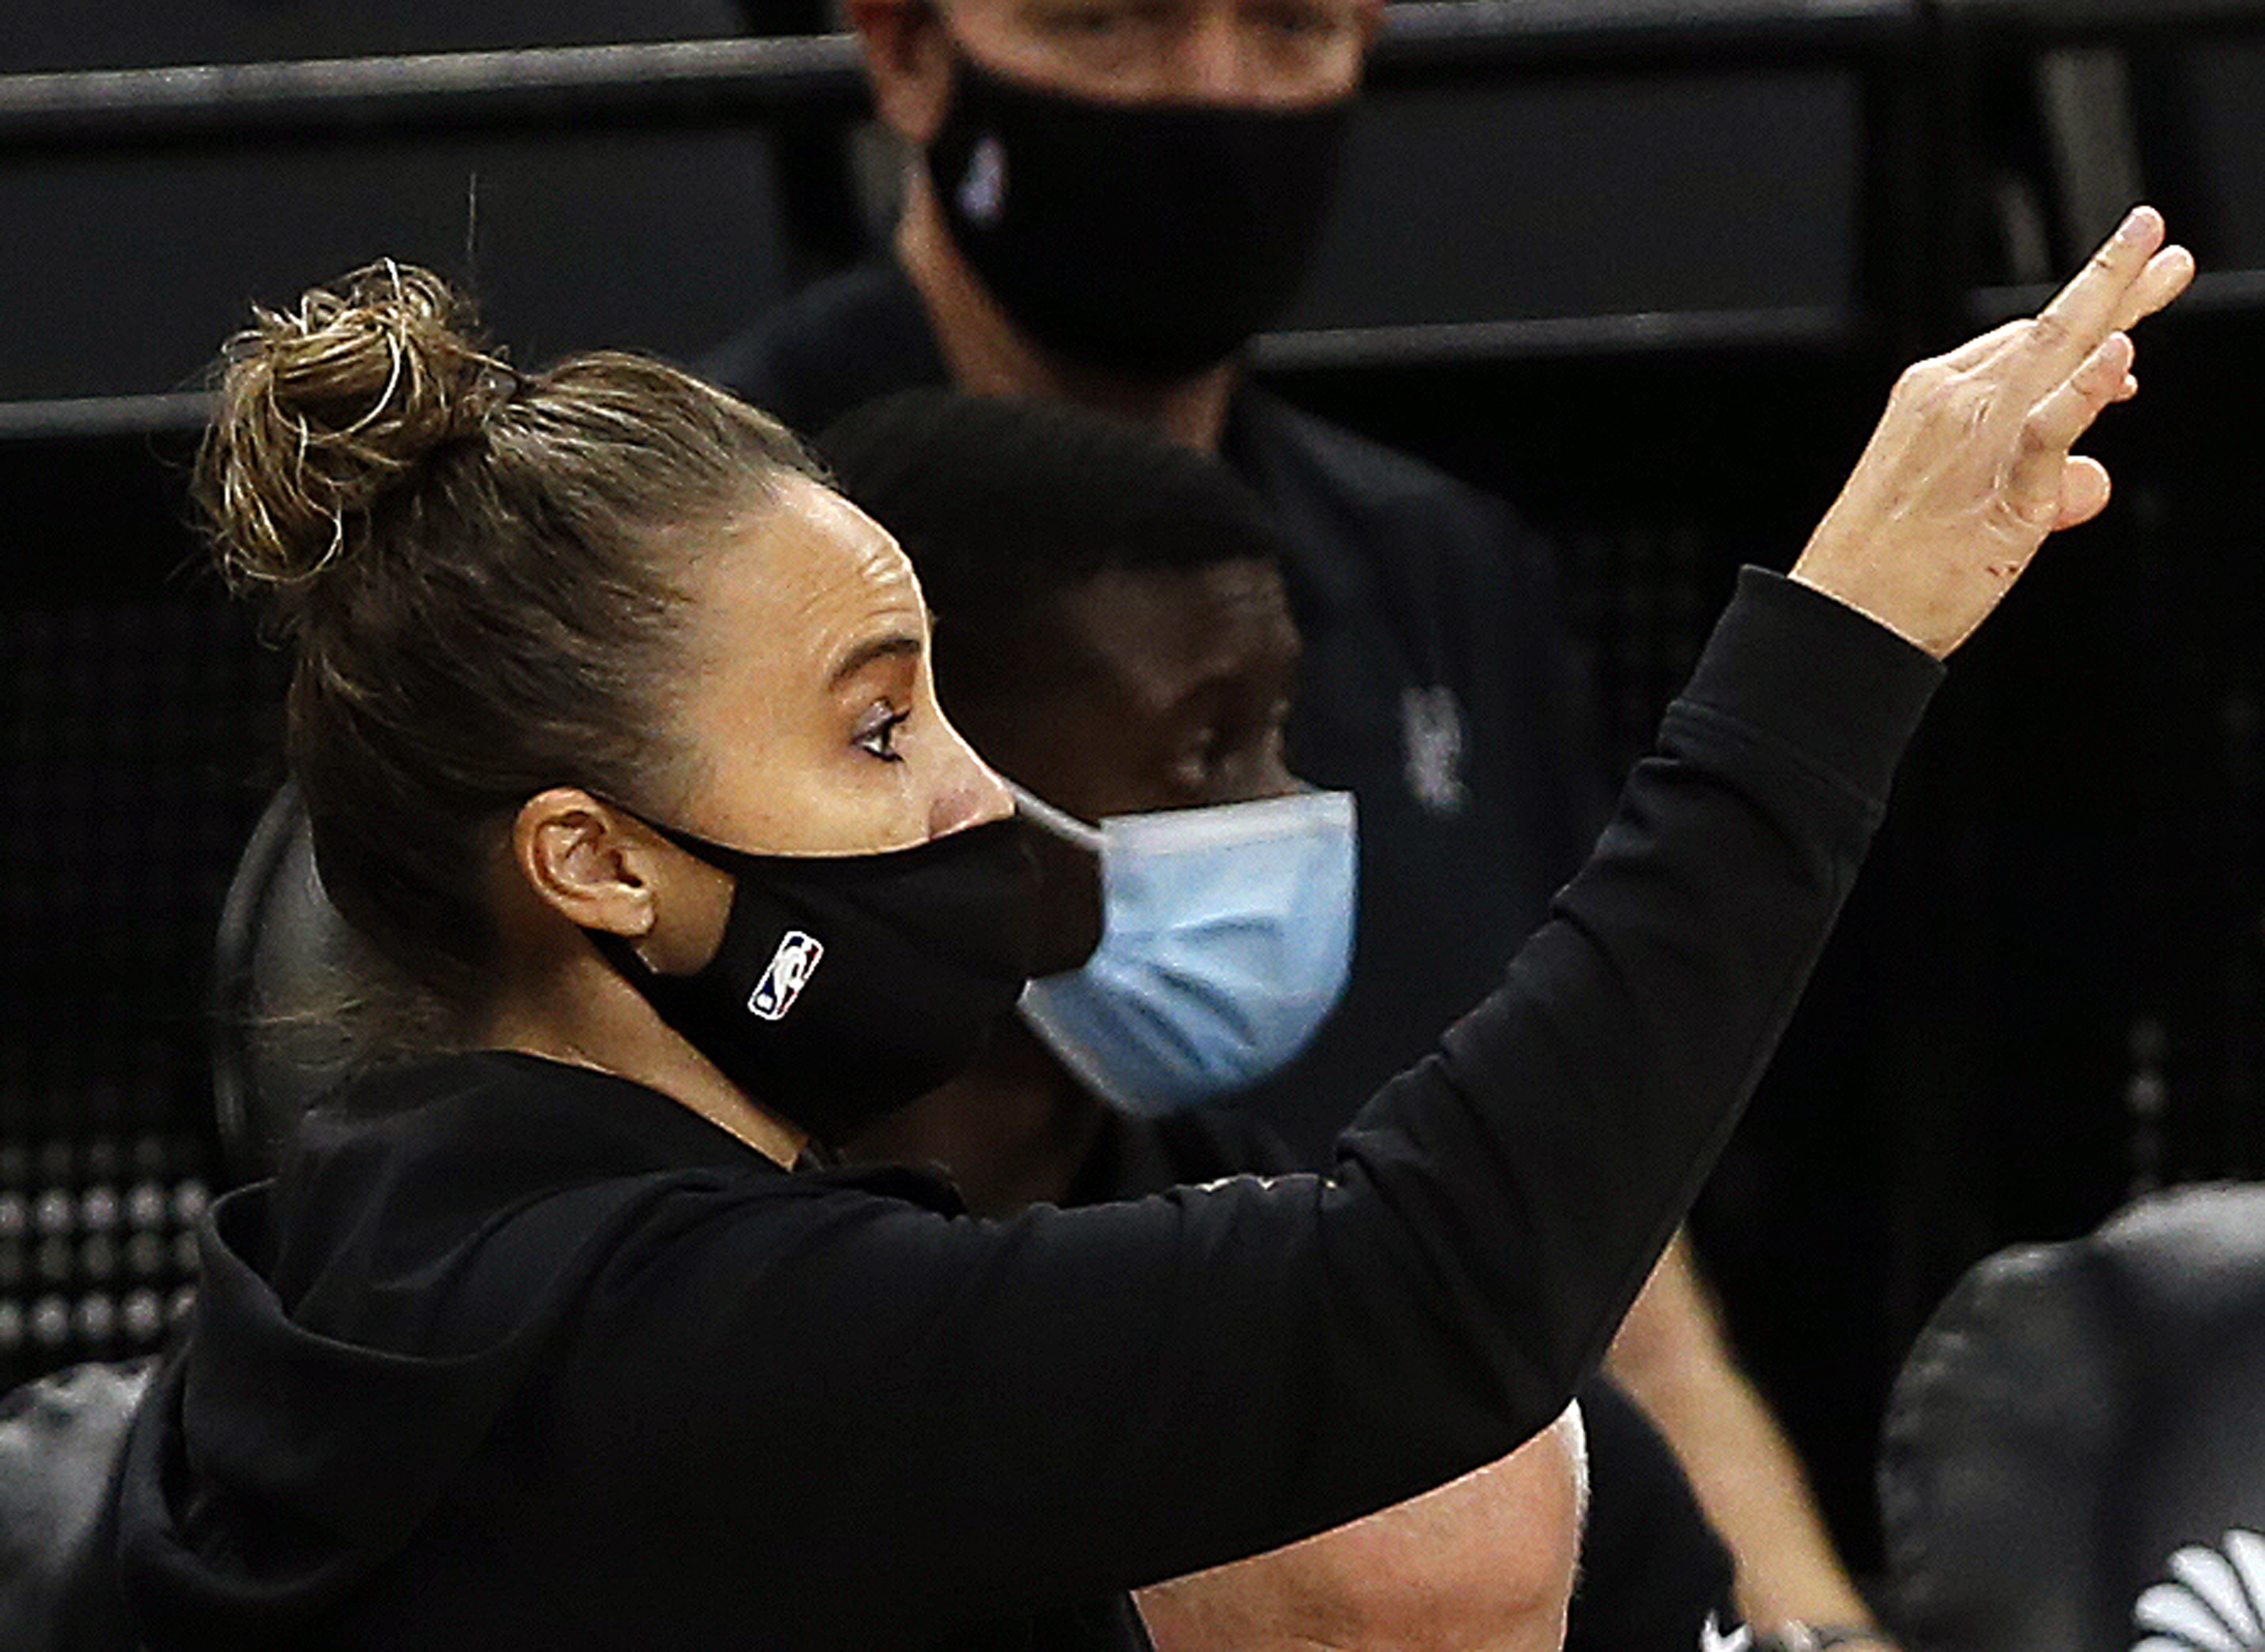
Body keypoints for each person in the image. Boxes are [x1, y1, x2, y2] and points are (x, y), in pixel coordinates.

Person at [93, 213, 2186, 1651]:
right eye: (882, 722)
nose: (979, 803)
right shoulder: (672, 1340)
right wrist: (1844, 639)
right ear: (596, 863)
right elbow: (1428, 1290)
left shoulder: (356, 1265)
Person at [702, 6, 1904, 1618]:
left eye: (1289, 21)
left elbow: (1625, 1298)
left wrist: (1812, 1626)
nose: (1214, 95)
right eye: (1110, 21)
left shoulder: (1441, 567)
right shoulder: (700, 572)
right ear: (908, 51)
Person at [818, 384, 1738, 1652]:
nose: (1286, 806)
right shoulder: (700, 1304)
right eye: (1207, 749)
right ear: (933, 767)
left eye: (1279, 731)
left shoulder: (1338, 1323)